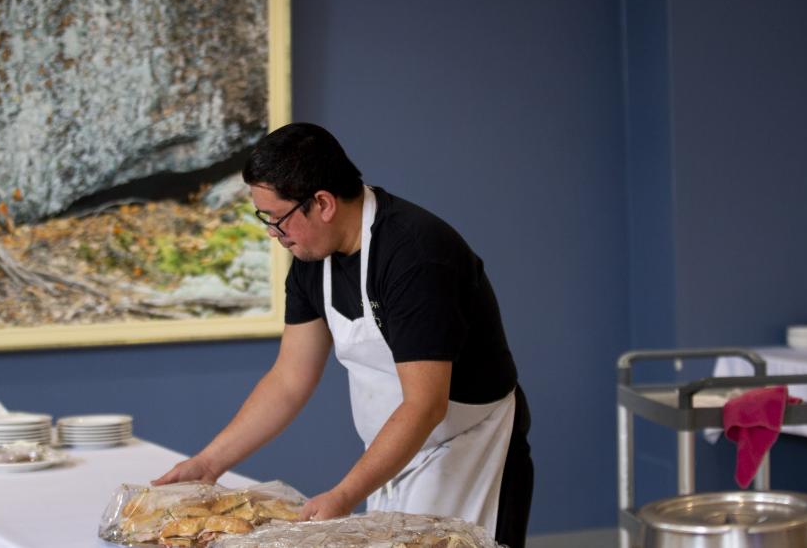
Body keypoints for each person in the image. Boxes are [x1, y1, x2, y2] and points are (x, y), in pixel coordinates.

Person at [154, 122, 533, 547]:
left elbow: (425, 404)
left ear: (322, 203)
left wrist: (345, 494)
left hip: (467, 452)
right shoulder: (311, 260)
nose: (272, 235)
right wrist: (209, 464)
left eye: (277, 219)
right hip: (392, 454)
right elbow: (289, 379)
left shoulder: (416, 256)